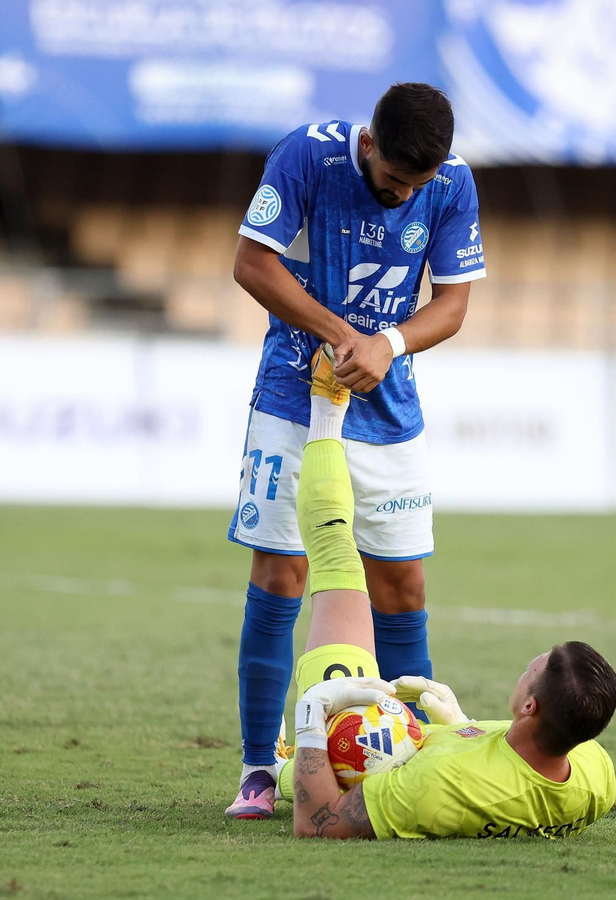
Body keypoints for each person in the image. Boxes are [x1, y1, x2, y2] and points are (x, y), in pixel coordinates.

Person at [224, 83, 486, 820]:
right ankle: (257, 768)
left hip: (387, 405)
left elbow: (455, 302)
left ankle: (420, 754)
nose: (407, 195)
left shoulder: (452, 182)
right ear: (369, 145)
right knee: (282, 570)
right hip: (291, 393)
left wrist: (389, 343)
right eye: (397, 182)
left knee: (402, 587)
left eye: (419, 185)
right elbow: (251, 263)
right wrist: (342, 334)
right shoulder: (308, 155)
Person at [274, 349, 616, 840]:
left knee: (336, 554)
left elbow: (318, 823)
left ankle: (327, 409)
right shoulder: (594, 772)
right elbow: (520, 767)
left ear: (529, 707)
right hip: (426, 745)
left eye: (533, 670)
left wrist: (311, 713)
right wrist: (463, 726)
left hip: (375, 761)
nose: (527, 666)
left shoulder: (440, 786)